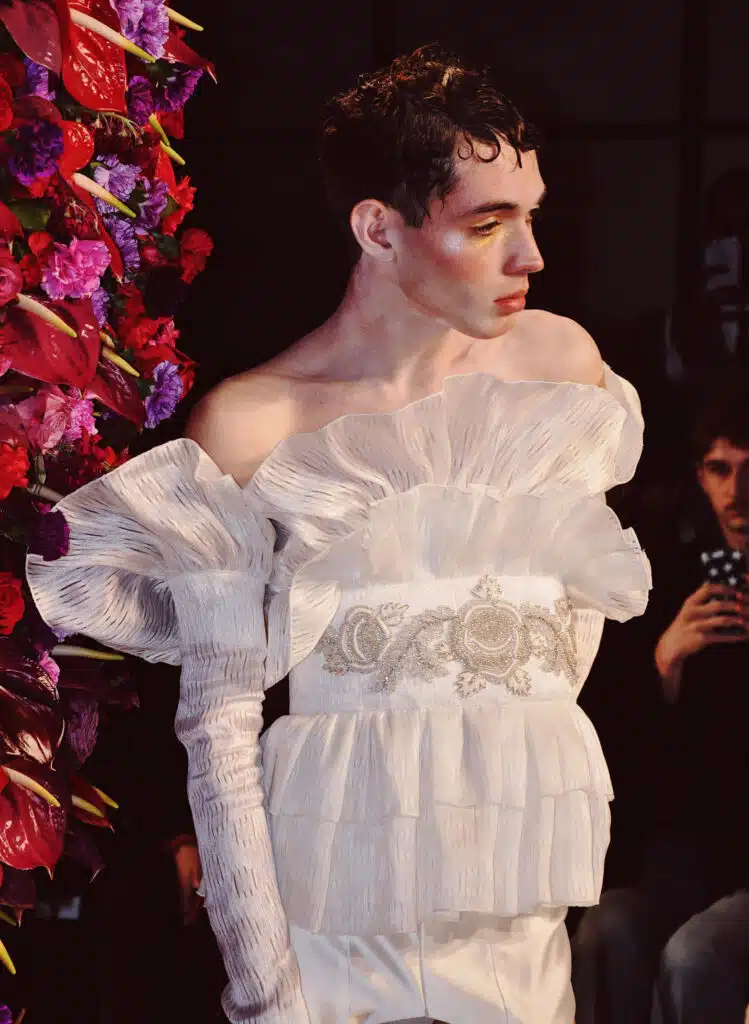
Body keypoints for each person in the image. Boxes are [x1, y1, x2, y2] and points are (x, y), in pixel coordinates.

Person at [25, 45, 651, 1024]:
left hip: (514, 930)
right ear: (377, 228)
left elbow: (570, 629)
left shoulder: (557, 369)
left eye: (527, 214)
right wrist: (266, 989)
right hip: (328, 938)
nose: (529, 255)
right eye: (487, 224)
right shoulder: (254, 426)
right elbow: (218, 736)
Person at [571, 383, 749, 1023]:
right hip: (687, 853)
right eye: (719, 471)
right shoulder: (672, 579)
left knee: (695, 955)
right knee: (608, 928)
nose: (736, 495)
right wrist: (664, 662)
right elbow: (628, 760)